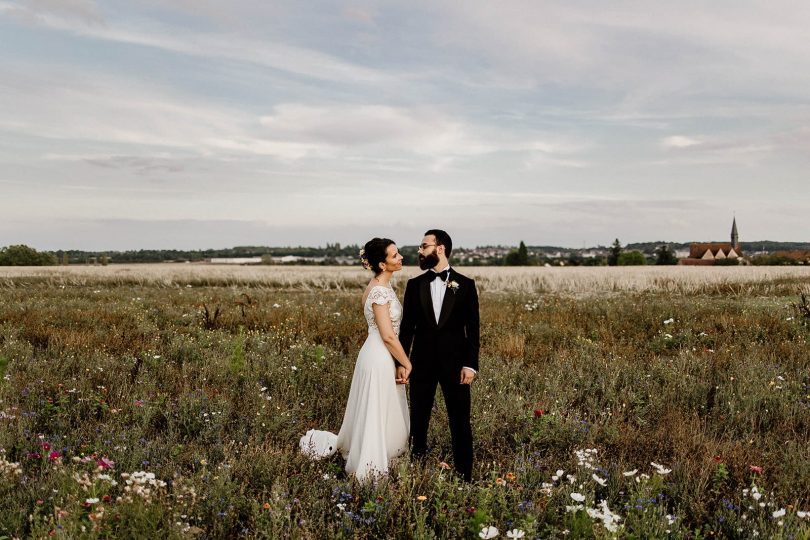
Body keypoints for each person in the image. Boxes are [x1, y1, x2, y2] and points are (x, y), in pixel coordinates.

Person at [399, 229, 480, 482]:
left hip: (456, 365)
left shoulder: (466, 285)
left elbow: (473, 330)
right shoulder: (414, 285)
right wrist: (401, 363)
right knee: (418, 420)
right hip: (421, 364)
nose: (420, 251)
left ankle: (465, 475)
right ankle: (417, 470)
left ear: (440, 248)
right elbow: (407, 329)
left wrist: (470, 364)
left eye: (424, 246)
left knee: (460, 421)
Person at [332, 237, 412, 482]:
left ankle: (385, 451)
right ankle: (371, 462)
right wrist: (406, 362)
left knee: (381, 405)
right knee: (376, 406)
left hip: (377, 352)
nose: (400, 258)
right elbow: (387, 335)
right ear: (382, 263)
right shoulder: (378, 290)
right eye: (394, 255)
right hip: (378, 355)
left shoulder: (380, 286)